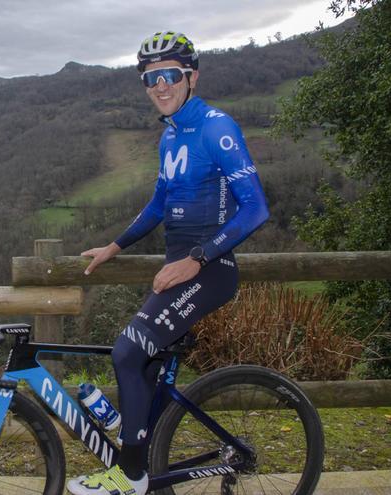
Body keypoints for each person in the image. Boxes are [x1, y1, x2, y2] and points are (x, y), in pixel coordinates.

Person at [68, 31, 270, 495]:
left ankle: (131, 475)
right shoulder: (171, 135)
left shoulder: (216, 127)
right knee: (145, 370)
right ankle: (149, 462)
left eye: (170, 75)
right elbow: (159, 203)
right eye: (150, 78)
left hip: (208, 271)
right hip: (179, 271)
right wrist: (113, 247)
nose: (160, 86)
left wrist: (197, 259)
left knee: (126, 352)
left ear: (191, 77)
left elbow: (256, 208)